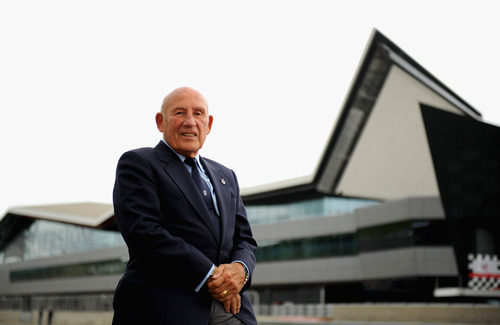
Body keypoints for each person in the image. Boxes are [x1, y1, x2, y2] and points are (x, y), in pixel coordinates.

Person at [112, 87, 258, 325]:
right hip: (162, 307)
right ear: (161, 121)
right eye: (180, 113)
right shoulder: (138, 163)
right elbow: (145, 233)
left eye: (198, 114)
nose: (190, 122)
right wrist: (212, 276)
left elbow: (245, 239)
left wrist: (240, 270)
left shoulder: (226, 175)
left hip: (231, 307)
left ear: (208, 124)